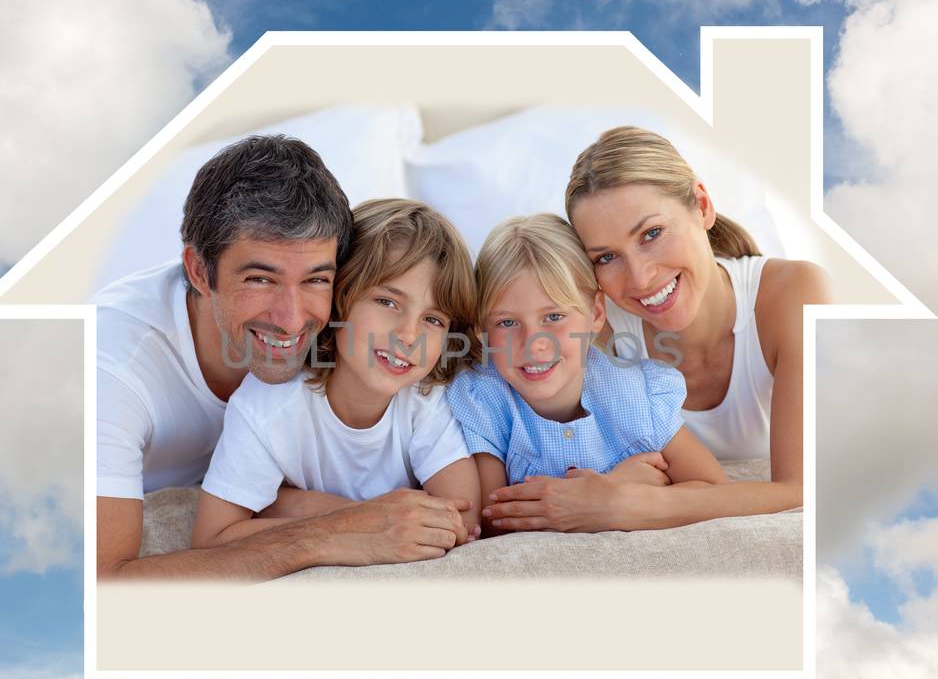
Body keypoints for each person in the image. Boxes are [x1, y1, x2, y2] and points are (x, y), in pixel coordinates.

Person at [94, 135, 471, 580]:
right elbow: (104, 583)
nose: (292, 321)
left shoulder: (356, 344)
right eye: (260, 279)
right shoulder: (112, 369)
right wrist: (334, 531)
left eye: (315, 280)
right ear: (198, 271)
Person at [480, 126, 828, 532]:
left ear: (702, 205)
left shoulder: (792, 294)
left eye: (652, 234)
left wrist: (634, 505)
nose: (641, 278)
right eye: (607, 256)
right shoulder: (593, 325)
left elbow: (801, 491)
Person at [193, 199, 482, 553]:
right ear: (339, 299)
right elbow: (211, 539)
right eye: (387, 302)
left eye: (433, 320)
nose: (409, 335)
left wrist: (290, 505)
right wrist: (358, 519)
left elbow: (464, 522)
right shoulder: (267, 407)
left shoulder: (426, 398)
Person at [447, 213, 728, 534]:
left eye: (553, 316)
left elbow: (713, 488)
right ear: (483, 329)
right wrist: (613, 486)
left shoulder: (637, 394)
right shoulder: (483, 397)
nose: (534, 344)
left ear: (595, 313)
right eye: (507, 323)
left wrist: (616, 499)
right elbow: (490, 520)